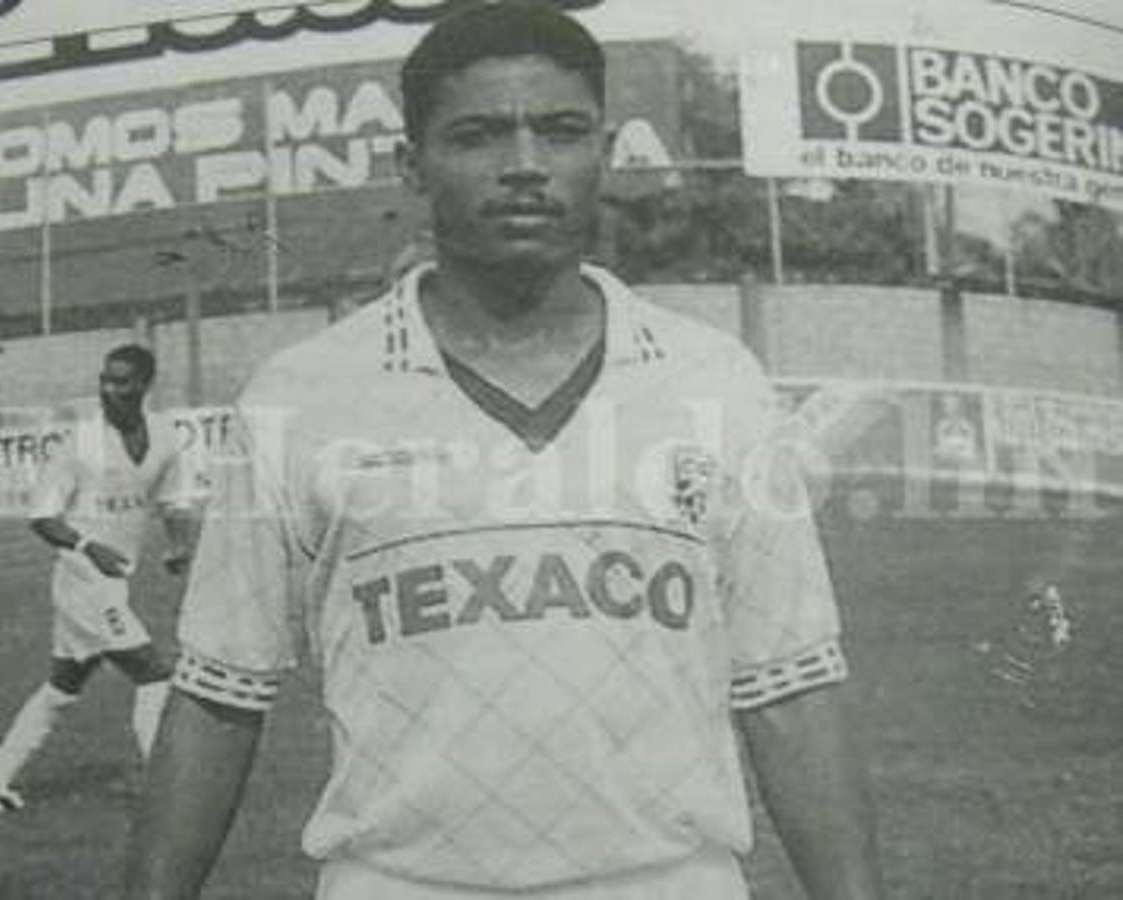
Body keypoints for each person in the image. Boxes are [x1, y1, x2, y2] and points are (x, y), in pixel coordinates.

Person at [125, 3, 883, 898]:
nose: (525, 166)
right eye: (479, 135)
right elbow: (218, 696)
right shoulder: (304, 393)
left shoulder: (716, 382)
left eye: (560, 132)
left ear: (603, 151)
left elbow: (789, 687)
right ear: (413, 164)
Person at [0, 344, 198, 813]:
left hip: (114, 583)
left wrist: (178, 546)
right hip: (82, 582)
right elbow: (42, 516)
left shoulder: (165, 436)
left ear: (144, 385)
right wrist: (88, 546)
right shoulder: (80, 443)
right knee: (155, 674)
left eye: (122, 381)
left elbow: (173, 499)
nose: (110, 390)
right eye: (105, 380)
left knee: (62, 687)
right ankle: (165, 791)